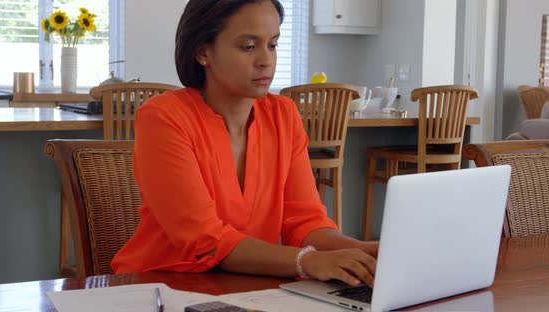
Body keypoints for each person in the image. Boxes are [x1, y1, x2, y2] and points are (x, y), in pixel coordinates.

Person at [111, 0, 378, 287]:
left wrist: (364, 251)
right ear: (203, 52)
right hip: (158, 288)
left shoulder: (284, 116)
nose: (266, 60)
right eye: (249, 47)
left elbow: (306, 224)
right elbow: (206, 241)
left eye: (272, 45)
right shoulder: (163, 118)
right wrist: (308, 261)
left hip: (245, 289)